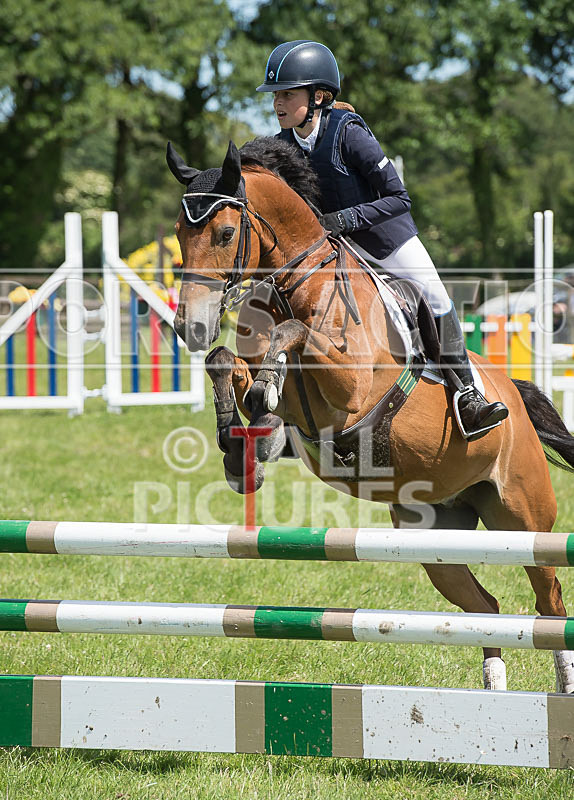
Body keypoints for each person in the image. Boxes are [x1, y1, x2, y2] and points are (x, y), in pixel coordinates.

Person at [256, 39, 508, 441]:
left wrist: (346, 218)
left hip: (386, 240)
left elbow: (398, 196)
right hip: (333, 252)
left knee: (436, 296)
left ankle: (468, 395)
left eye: (287, 94)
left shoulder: (348, 134)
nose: (277, 104)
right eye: (275, 96)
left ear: (319, 96)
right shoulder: (280, 146)